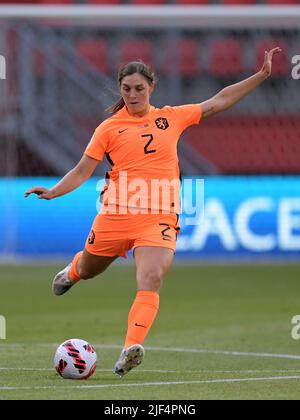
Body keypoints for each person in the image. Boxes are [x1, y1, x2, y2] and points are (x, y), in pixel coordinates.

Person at [25, 47, 281, 377]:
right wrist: (53, 192)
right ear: (120, 89)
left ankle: (130, 348)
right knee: (89, 268)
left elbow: (218, 101)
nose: (132, 95)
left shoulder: (171, 117)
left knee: (152, 277)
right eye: (126, 89)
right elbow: (81, 170)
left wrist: (260, 76)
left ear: (152, 88)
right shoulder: (108, 129)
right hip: (116, 213)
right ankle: (73, 271)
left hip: (159, 215)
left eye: (139, 89)